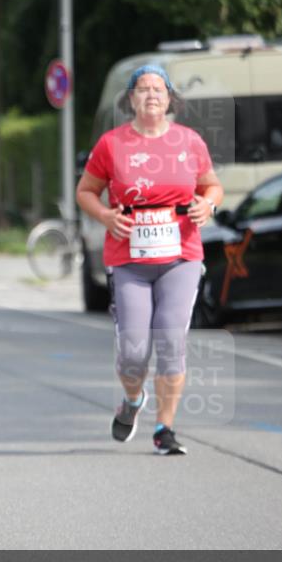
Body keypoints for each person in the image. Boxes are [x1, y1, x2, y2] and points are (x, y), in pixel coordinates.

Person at [76, 64, 223, 455]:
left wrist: (207, 204)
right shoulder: (111, 144)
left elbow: (212, 185)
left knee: (172, 341)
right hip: (129, 258)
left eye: (159, 89)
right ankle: (133, 399)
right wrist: (106, 216)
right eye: (143, 89)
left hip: (181, 254)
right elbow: (86, 191)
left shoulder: (189, 141)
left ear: (170, 98)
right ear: (131, 99)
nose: (152, 95)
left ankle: (165, 429)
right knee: (133, 351)